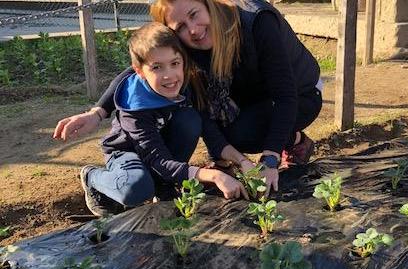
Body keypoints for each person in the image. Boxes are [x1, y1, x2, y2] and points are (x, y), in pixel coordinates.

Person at [54, 0, 323, 197]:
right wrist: (97, 112)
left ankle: (295, 141)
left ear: (208, 5)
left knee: (244, 134)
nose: (193, 30)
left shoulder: (257, 21)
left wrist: (270, 159)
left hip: (299, 95)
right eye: (181, 26)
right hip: (250, 98)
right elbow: (137, 70)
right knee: (220, 132)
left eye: (195, 15)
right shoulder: (182, 45)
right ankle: (204, 167)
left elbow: (286, 97)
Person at [72, 22, 247, 216]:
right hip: (128, 153)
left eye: (175, 63)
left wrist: (243, 161)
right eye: (157, 67)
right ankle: (92, 177)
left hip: (161, 154)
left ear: (183, 61)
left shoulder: (185, 87)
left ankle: (164, 184)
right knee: (136, 188)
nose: (169, 76)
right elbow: (159, 159)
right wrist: (213, 175)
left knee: (192, 120)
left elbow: (211, 133)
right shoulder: (135, 106)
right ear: (139, 71)